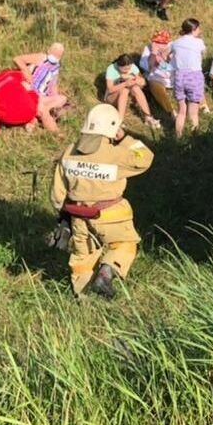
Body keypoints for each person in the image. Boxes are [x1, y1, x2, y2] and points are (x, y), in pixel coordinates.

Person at [50, 104, 154, 298]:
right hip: (112, 213)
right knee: (124, 245)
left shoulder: (70, 151)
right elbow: (146, 158)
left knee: (83, 257)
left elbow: (57, 192)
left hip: (78, 216)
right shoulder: (116, 154)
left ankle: (82, 299)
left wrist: (62, 215)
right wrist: (125, 138)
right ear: (113, 127)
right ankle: (107, 271)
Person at [14, 42, 67, 134]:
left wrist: (54, 97)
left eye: (58, 55)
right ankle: (56, 132)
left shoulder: (56, 67)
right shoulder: (40, 57)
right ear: (49, 50)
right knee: (42, 108)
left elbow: (53, 86)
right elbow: (17, 59)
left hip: (42, 95)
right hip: (30, 91)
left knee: (62, 98)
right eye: (54, 53)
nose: (55, 56)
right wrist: (26, 72)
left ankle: (37, 114)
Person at [0, 66, 39, 136]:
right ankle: (31, 120)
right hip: (31, 111)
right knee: (27, 87)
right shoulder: (8, 75)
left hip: (11, 118)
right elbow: (21, 75)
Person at [170, 18, 207, 134]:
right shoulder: (199, 42)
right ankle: (193, 136)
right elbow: (202, 55)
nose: (200, 30)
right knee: (193, 112)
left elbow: (166, 56)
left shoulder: (175, 43)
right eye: (199, 28)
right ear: (194, 29)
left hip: (179, 76)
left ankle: (178, 136)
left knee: (181, 111)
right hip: (194, 76)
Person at [104, 53, 161, 128]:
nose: (127, 70)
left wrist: (138, 80)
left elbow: (143, 82)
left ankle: (148, 116)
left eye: (129, 68)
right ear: (118, 65)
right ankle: (119, 120)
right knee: (124, 90)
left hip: (128, 96)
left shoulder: (133, 68)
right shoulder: (111, 69)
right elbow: (110, 89)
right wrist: (125, 84)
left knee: (135, 88)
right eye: (124, 69)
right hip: (112, 97)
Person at [139, 30, 176, 115]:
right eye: (156, 42)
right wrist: (154, 53)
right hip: (157, 78)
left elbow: (177, 66)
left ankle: (203, 106)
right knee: (154, 85)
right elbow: (149, 67)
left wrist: (166, 56)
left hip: (174, 76)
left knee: (191, 78)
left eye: (162, 43)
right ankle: (171, 111)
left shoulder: (174, 47)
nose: (158, 45)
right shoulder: (149, 49)